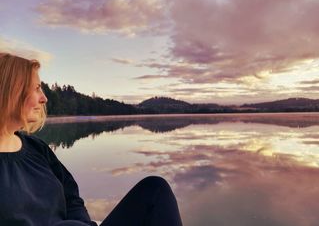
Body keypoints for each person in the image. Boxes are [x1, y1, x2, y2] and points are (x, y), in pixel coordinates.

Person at [0, 52, 183, 226]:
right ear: (10, 90)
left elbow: (72, 198)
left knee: (155, 189)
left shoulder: (36, 147)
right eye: (36, 88)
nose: (44, 98)